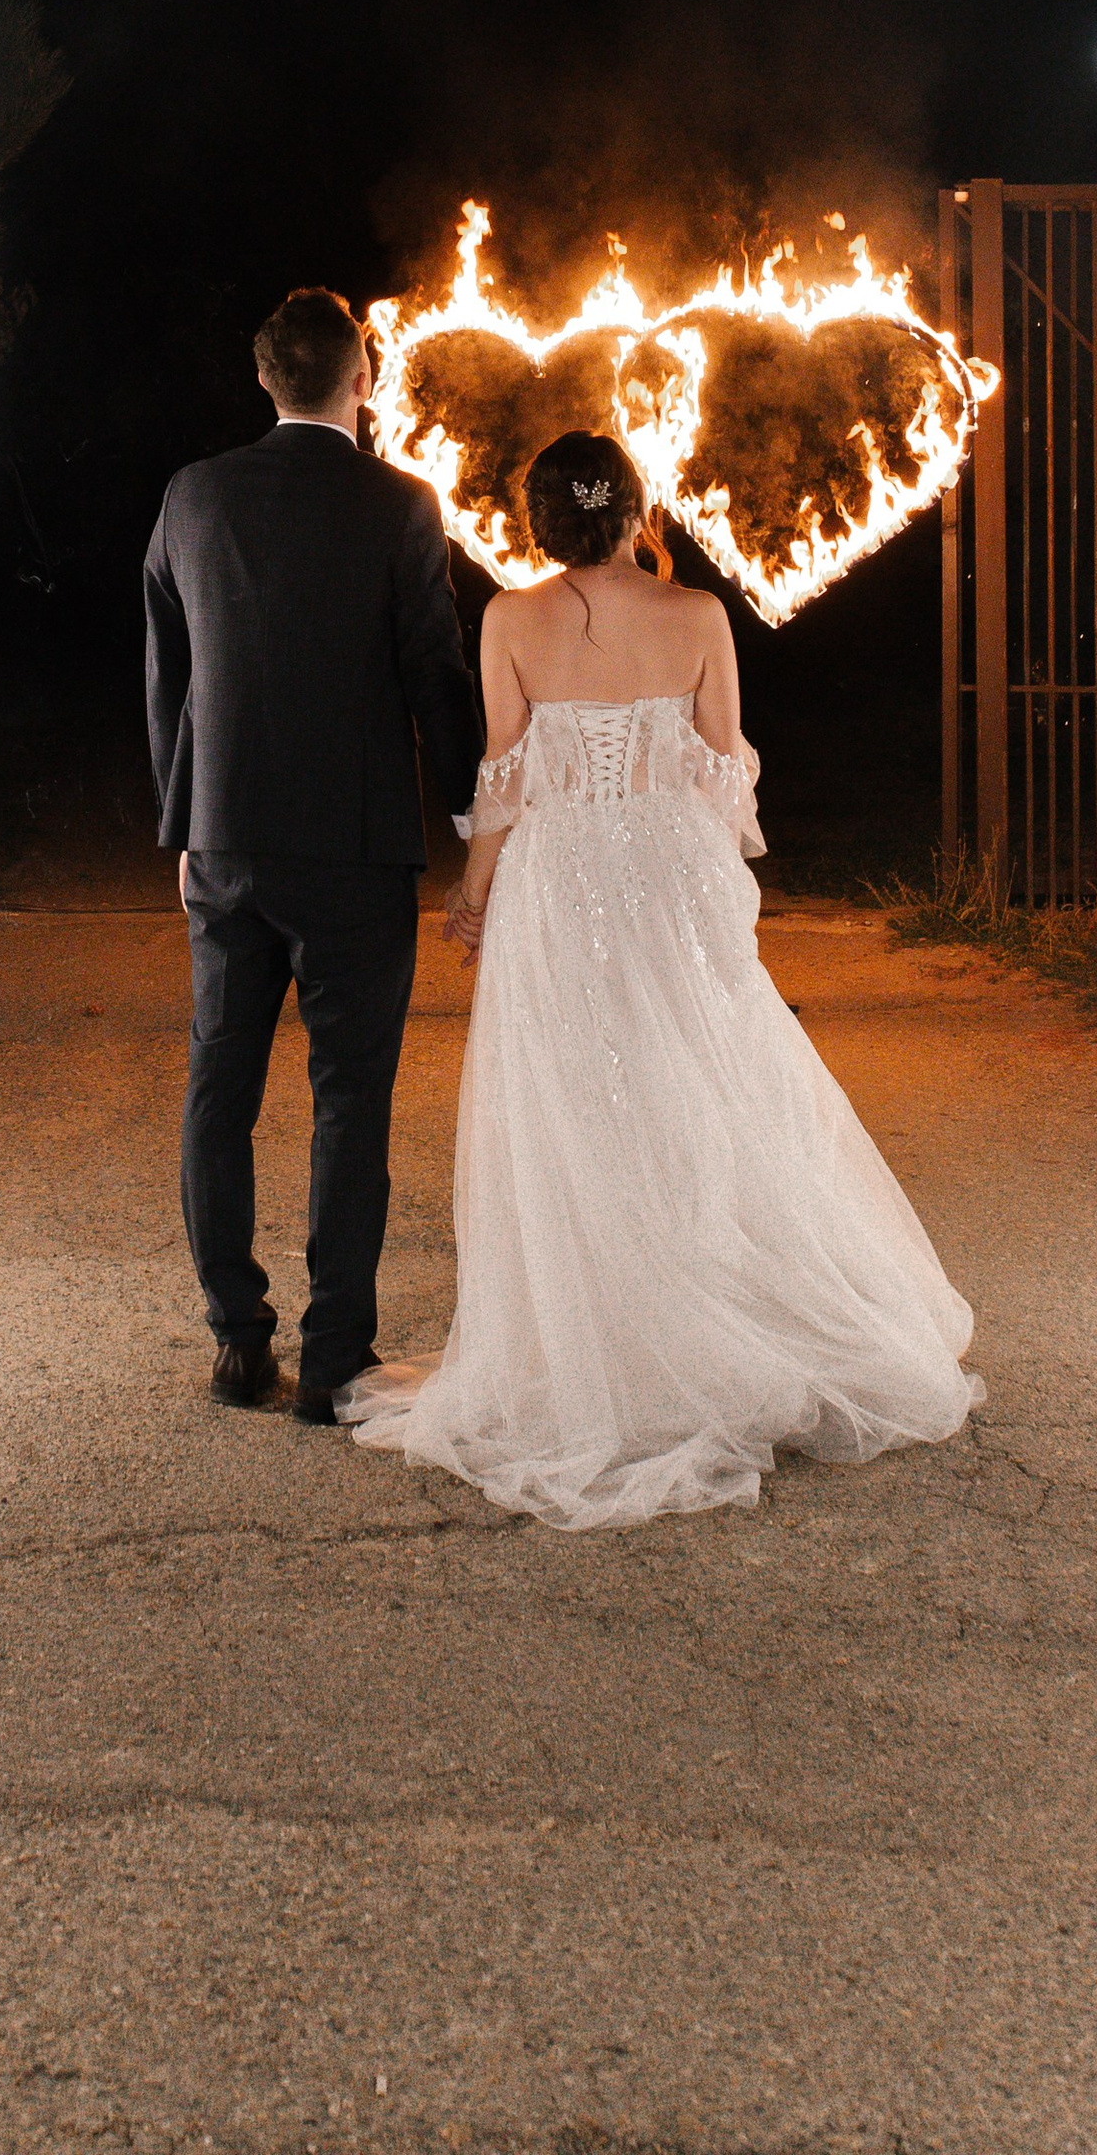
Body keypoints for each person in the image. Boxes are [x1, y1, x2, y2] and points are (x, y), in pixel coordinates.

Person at [342, 429, 982, 1528]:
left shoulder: (507, 619)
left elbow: (502, 779)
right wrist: (712, 888)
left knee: (574, 1098)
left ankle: (603, 1344)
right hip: (665, 876)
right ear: (633, 514)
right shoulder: (697, 618)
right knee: (696, 1082)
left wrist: (472, 891)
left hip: (559, 880)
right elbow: (721, 766)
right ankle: (712, 1316)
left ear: (541, 520)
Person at [145, 286, 481, 1423]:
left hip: (226, 838)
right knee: (351, 1102)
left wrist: (180, 819)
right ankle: (334, 1355)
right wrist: (481, 817)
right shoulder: (400, 505)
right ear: (364, 374)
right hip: (354, 848)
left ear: (263, 378)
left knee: (217, 1087)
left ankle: (237, 1337)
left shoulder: (194, 496)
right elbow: (435, 674)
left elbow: (168, 670)